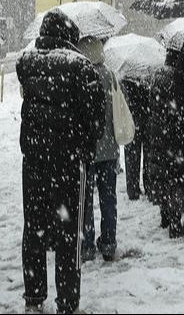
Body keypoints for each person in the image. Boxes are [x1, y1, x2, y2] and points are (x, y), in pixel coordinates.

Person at [16, 10, 105, 315]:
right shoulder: (80, 67)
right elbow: (96, 120)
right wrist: (84, 144)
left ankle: (33, 296)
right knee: (69, 234)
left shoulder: (26, 62)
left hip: (34, 162)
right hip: (69, 164)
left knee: (34, 228)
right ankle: (67, 301)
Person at [75, 36, 123, 263]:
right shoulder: (112, 76)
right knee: (108, 198)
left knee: (86, 199)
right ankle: (109, 242)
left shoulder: (82, 76)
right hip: (110, 148)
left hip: (88, 148)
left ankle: (86, 244)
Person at [143, 48, 184, 238]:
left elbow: (151, 105)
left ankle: (165, 216)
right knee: (176, 176)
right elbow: (183, 108)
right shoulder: (178, 79)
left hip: (157, 134)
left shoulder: (157, 76)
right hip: (176, 137)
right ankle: (175, 223)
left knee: (162, 174)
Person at [120, 73, 152, 201]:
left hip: (132, 119)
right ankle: (149, 186)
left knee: (132, 155)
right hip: (147, 117)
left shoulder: (126, 76)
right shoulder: (149, 75)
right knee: (148, 154)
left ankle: (132, 189)